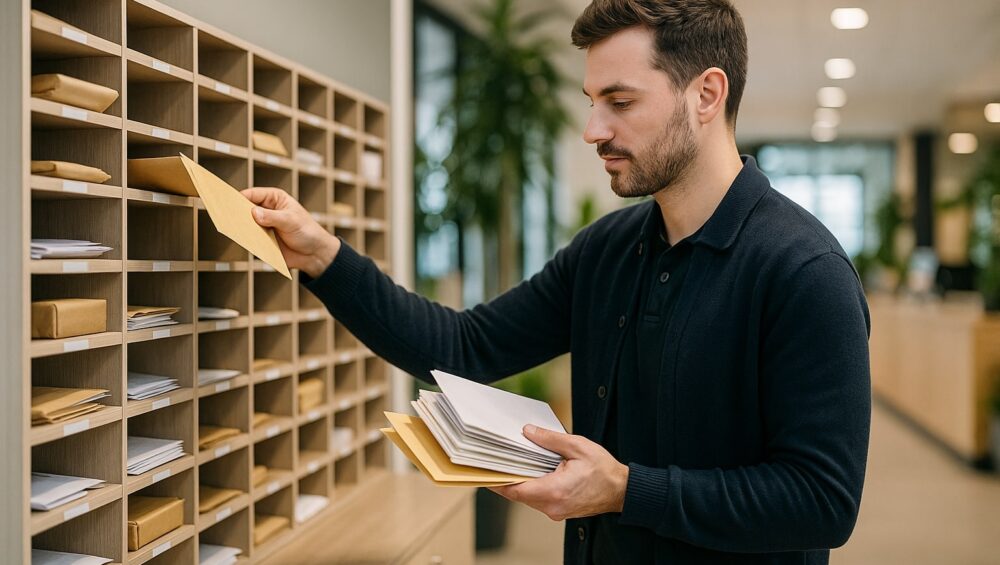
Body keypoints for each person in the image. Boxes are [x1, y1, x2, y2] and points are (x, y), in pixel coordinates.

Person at [242, 0, 871, 563]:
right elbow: (465, 346)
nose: (594, 130)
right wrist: (324, 257)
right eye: (592, 102)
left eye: (620, 103)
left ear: (706, 95)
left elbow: (821, 501)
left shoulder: (805, 272)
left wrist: (625, 488)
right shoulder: (607, 249)